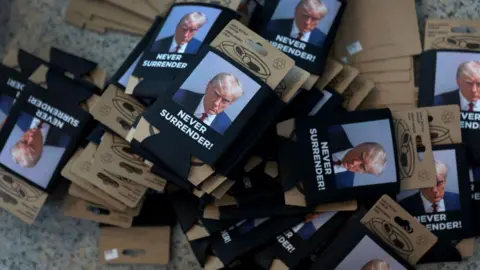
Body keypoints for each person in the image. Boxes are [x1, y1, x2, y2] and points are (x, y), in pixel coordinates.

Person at [172, 73, 244, 134]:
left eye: (225, 100)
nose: (216, 103)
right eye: (216, 94)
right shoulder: (176, 96)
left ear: (231, 103)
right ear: (208, 86)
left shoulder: (226, 128)